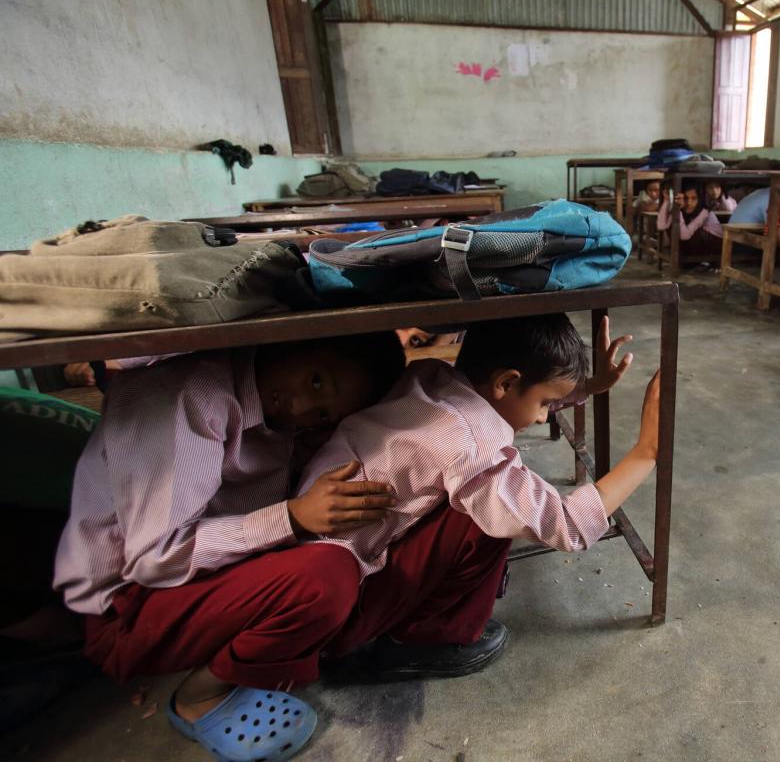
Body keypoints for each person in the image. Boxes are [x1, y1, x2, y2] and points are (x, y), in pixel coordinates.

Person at [54, 332, 406, 762]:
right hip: (127, 608)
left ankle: (269, 647)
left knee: (363, 553)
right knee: (324, 575)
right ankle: (200, 696)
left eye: (320, 414)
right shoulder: (190, 396)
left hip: (195, 581)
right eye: (315, 381)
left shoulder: (273, 412)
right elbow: (154, 559)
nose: (299, 410)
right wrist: (292, 516)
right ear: (294, 341)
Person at [298, 314, 659, 681]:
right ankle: (421, 638)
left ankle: (398, 627)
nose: (540, 419)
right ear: (506, 382)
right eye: (546, 403)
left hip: (316, 573)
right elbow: (563, 525)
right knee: (493, 515)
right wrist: (646, 452)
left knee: (493, 496)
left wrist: (585, 388)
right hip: (343, 615)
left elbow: (515, 402)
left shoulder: (430, 377)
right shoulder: (469, 444)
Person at [658, 181, 723, 257]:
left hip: (716, 245)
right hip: (696, 245)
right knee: (672, 226)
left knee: (693, 232)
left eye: (694, 198)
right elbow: (661, 226)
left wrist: (678, 210)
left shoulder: (704, 212)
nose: (689, 202)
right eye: (685, 198)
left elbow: (684, 236)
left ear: (699, 199)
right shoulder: (681, 208)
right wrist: (667, 200)